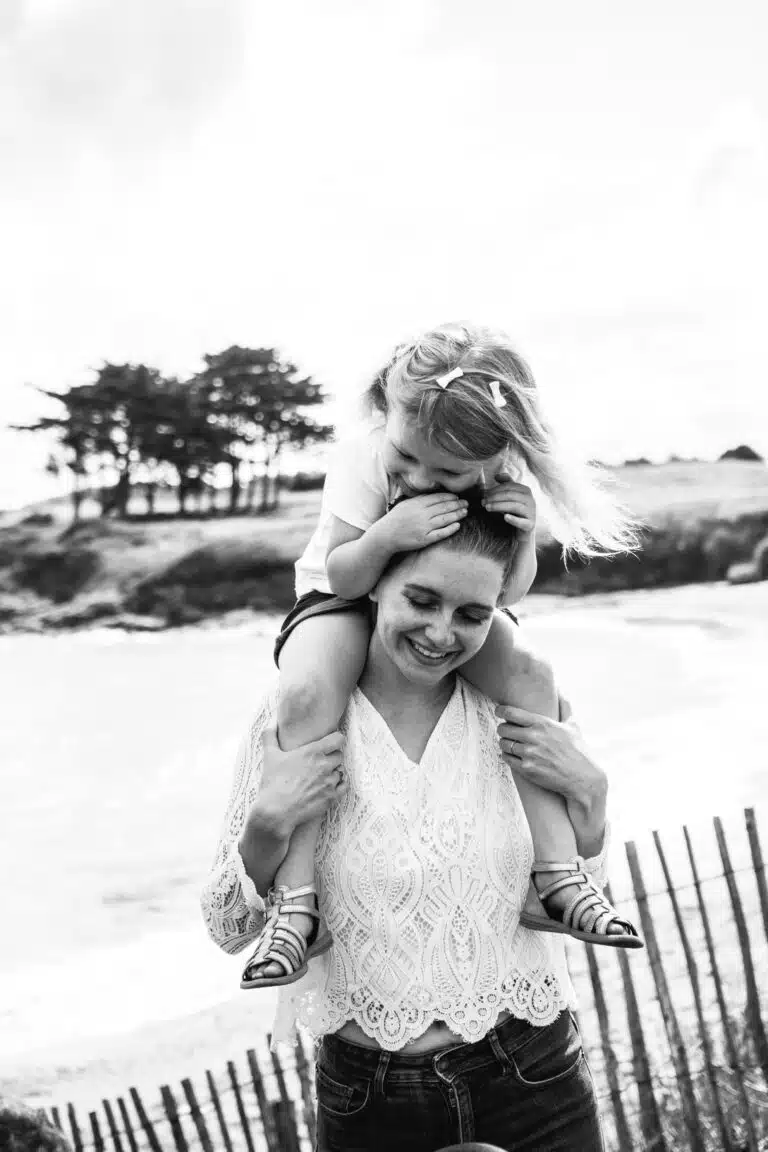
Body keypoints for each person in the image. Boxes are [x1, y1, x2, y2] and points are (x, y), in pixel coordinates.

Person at [201, 499, 635, 1151]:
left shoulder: (517, 711)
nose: (441, 632)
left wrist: (592, 802)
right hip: (369, 1100)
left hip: (533, 1074)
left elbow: (580, 896)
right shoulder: (297, 718)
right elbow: (228, 930)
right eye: (422, 600)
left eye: (471, 615)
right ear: (376, 582)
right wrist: (266, 827)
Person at [240, 322, 639, 985]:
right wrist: (388, 533)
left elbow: (507, 589)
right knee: (307, 696)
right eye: (409, 459)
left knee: (532, 677)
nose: (422, 478)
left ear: (493, 456)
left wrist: (526, 531)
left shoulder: (501, 475)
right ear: (388, 417)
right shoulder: (366, 456)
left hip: (440, 598)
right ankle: (296, 904)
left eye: (447, 473)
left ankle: (558, 876)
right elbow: (342, 574)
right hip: (340, 596)